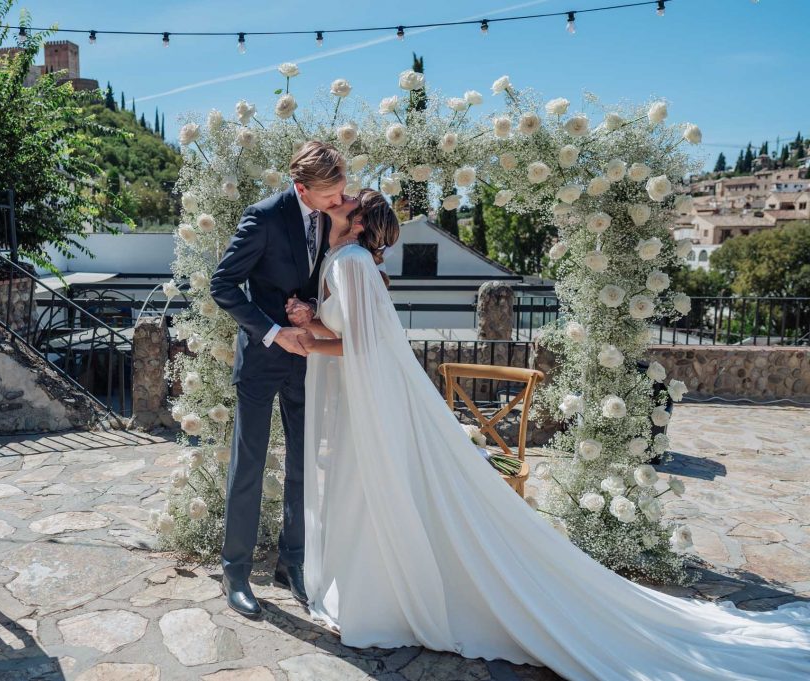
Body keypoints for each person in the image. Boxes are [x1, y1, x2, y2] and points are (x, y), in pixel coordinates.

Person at [290, 189, 810, 680]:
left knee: (376, 489)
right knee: (370, 490)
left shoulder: (353, 263)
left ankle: (388, 599)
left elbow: (364, 347)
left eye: (351, 199)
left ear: (359, 223)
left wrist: (307, 344)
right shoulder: (346, 262)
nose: (342, 199)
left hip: (374, 399)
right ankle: (381, 586)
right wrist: (312, 323)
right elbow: (355, 334)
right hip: (370, 397)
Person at [210, 141, 345, 619]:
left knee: (303, 466)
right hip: (263, 361)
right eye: (330, 194)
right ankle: (237, 573)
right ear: (302, 188)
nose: (338, 200)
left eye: (342, 189)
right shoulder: (263, 217)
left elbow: (314, 283)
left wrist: (309, 312)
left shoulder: (331, 217)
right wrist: (273, 332)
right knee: (248, 466)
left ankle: (293, 565)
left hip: (307, 360)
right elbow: (222, 284)